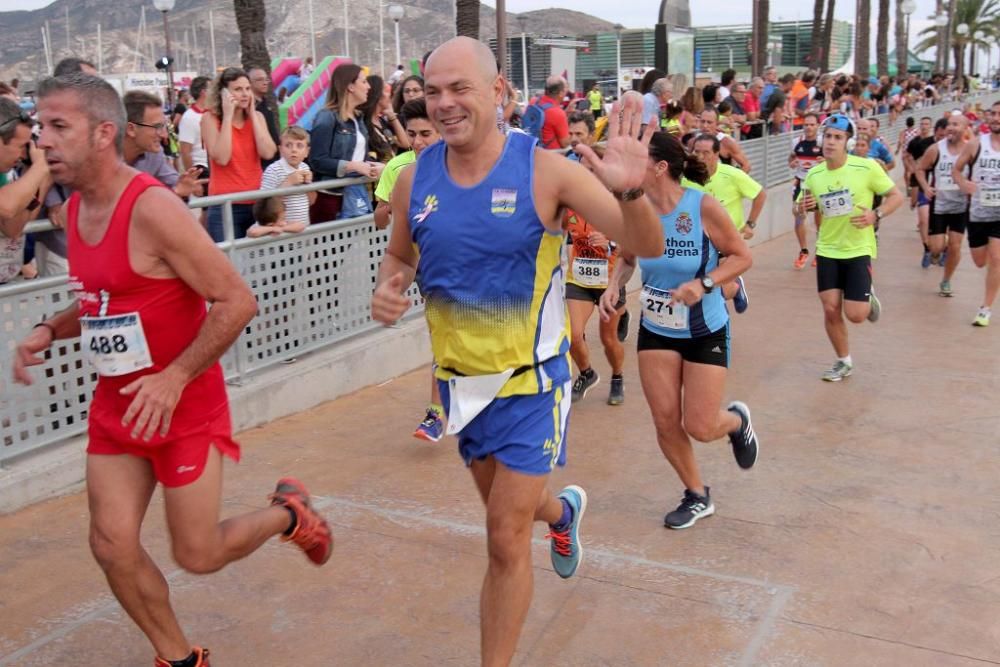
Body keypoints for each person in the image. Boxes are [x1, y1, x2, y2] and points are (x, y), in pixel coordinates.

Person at [14, 71, 331, 667]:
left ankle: (290, 514)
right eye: (39, 126)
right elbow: (101, 298)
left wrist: (174, 376)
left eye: (58, 127)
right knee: (110, 544)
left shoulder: (153, 208)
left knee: (200, 554)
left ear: (104, 132)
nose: (43, 141)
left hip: (183, 403)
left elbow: (236, 301)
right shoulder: (78, 209)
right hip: (119, 404)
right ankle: (180, 657)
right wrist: (48, 330)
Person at [370, 38, 664, 666]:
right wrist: (390, 283)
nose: (444, 103)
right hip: (461, 386)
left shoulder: (544, 169)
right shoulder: (414, 175)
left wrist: (633, 192)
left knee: (504, 539)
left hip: (534, 382)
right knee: (521, 512)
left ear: (498, 91)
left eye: (460, 88)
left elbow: (648, 244)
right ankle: (563, 512)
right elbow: (400, 253)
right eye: (433, 91)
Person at [601, 131, 757, 530]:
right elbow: (628, 257)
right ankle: (696, 494)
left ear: (660, 167)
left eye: (639, 160)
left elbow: (741, 257)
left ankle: (737, 422)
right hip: (657, 327)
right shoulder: (635, 208)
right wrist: (615, 284)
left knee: (701, 426)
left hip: (705, 327)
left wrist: (704, 284)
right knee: (666, 421)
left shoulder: (701, 206)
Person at [797, 115, 904, 381]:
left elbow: (896, 196)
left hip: (858, 248)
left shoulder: (866, 168)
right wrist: (801, 206)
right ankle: (843, 361)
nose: (831, 142)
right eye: (828, 136)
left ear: (848, 142)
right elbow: (800, 205)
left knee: (856, 315)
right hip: (828, 249)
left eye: (838, 137)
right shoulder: (814, 174)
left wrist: (875, 215)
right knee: (830, 307)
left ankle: (868, 296)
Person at [371, 98, 447, 441]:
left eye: (425, 134)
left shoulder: (484, 172)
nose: (416, 142)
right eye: (412, 134)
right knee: (443, 348)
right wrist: (388, 286)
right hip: (437, 284)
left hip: (499, 303)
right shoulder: (405, 180)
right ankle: (436, 414)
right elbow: (399, 251)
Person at [688, 134, 763, 314]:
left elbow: (760, 194)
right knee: (706, 284)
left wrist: (750, 224)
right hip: (698, 241)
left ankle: (719, 325)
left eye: (705, 153)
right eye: (696, 152)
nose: (700, 157)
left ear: (716, 154)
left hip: (728, 241)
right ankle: (735, 286)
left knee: (714, 287)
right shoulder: (687, 178)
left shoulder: (732, 175)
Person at [200, 67, 277, 241]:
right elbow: (222, 157)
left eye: (247, 89)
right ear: (224, 93)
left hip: (256, 202)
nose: (245, 94)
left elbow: (268, 152)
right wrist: (227, 117)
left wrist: (253, 116)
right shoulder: (210, 119)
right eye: (238, 89)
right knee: (229, 263)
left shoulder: (258, 117)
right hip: (225, 205)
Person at [308, 64, 382, 223]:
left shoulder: (359, 119)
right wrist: (353, 166)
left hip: (356, 193)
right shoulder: (326, 117)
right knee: (330, 246)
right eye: (364, 82)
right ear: (350, 86)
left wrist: (375, 166)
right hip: (330, 197)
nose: (368, 87)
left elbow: (359, 156)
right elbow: (317, 160)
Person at [953, 100, 1000, 327]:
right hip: (979, 211)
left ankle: (986, 308)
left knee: (997, 258)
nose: (996, 118)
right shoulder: (976, 144)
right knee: (980, 261)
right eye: (993, 114)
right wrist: (963, 184)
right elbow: (956, 169)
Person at [916, 113, 970, 297]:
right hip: (939, 205)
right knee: (936, 247)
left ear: (965, 128)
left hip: (960, 206)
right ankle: (937, 250)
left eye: (956, 124)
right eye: (949, 124)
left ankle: (946, 280)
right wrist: (925, 187)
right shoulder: (935, 149)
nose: (951, 128)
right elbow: (920, 169)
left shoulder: (971, 150)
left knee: (956, 245)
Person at [0, 97, 51, 284]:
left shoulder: (6, 174)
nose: (24, 155)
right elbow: (7, 206)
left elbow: (13, 228)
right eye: (22, 146)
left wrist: (40, 181)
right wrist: (40, 167)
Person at [122, 91, 205, 198]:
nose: (164, 135)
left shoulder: (154, 154)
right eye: (157, 127)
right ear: (131, 129)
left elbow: (174, 183)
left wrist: (184, 185)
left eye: (164, 126)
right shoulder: (102, 160)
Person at [260, 125, 316, 226]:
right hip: (280, 232)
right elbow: (264, 205)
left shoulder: (305, 168)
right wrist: (288, 183)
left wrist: (310, 186)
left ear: (307, 152)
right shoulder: (273, 170)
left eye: (299, 146)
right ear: (280, 150)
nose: (294, 150)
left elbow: (311, 201)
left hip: (302, 230)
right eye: (288, 145)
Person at [789, 112, 824, 269]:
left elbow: (834, 160)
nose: (809, 128)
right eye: (806, 125)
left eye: (812, 124)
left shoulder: (823, 142)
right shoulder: (797, 141)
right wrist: (792, 162)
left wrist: (825, 161)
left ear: (817, 126)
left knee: (820, 220)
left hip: (819, 185)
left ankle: (820, 251)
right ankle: (803, 250)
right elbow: (791, 157)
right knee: (798, 215)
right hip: (802, 184)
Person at [904, 117, 937, 267]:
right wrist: (911, 167)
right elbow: (906, 155)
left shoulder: (935, 142)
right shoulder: (915, 142)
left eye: (926, 124)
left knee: (929, 217)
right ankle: (927, 248)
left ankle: (941, 248)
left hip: (934, 182)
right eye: (922, 124)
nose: (924, 126)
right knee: (918, 207)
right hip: (919, 177)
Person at [688, 107, 751, 172]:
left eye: (709, 122)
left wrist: (731, 181)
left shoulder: (726, 142)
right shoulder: (692, 142)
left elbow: (746, 166)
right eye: (702, 121)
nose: (705, 126)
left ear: (717, 123)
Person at [248, 67, 281, 164]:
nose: (265, 82)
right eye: (259, 79)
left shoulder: (265, 103)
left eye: (266, 79)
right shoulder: (250, 108)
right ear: (249, 83)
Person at [178, 76, 211, 173]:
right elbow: (185, 151)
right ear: (203, 92)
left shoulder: (213, 114)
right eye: (212, 89)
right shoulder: (189, 118)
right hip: (201, 169)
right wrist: (192, 176)